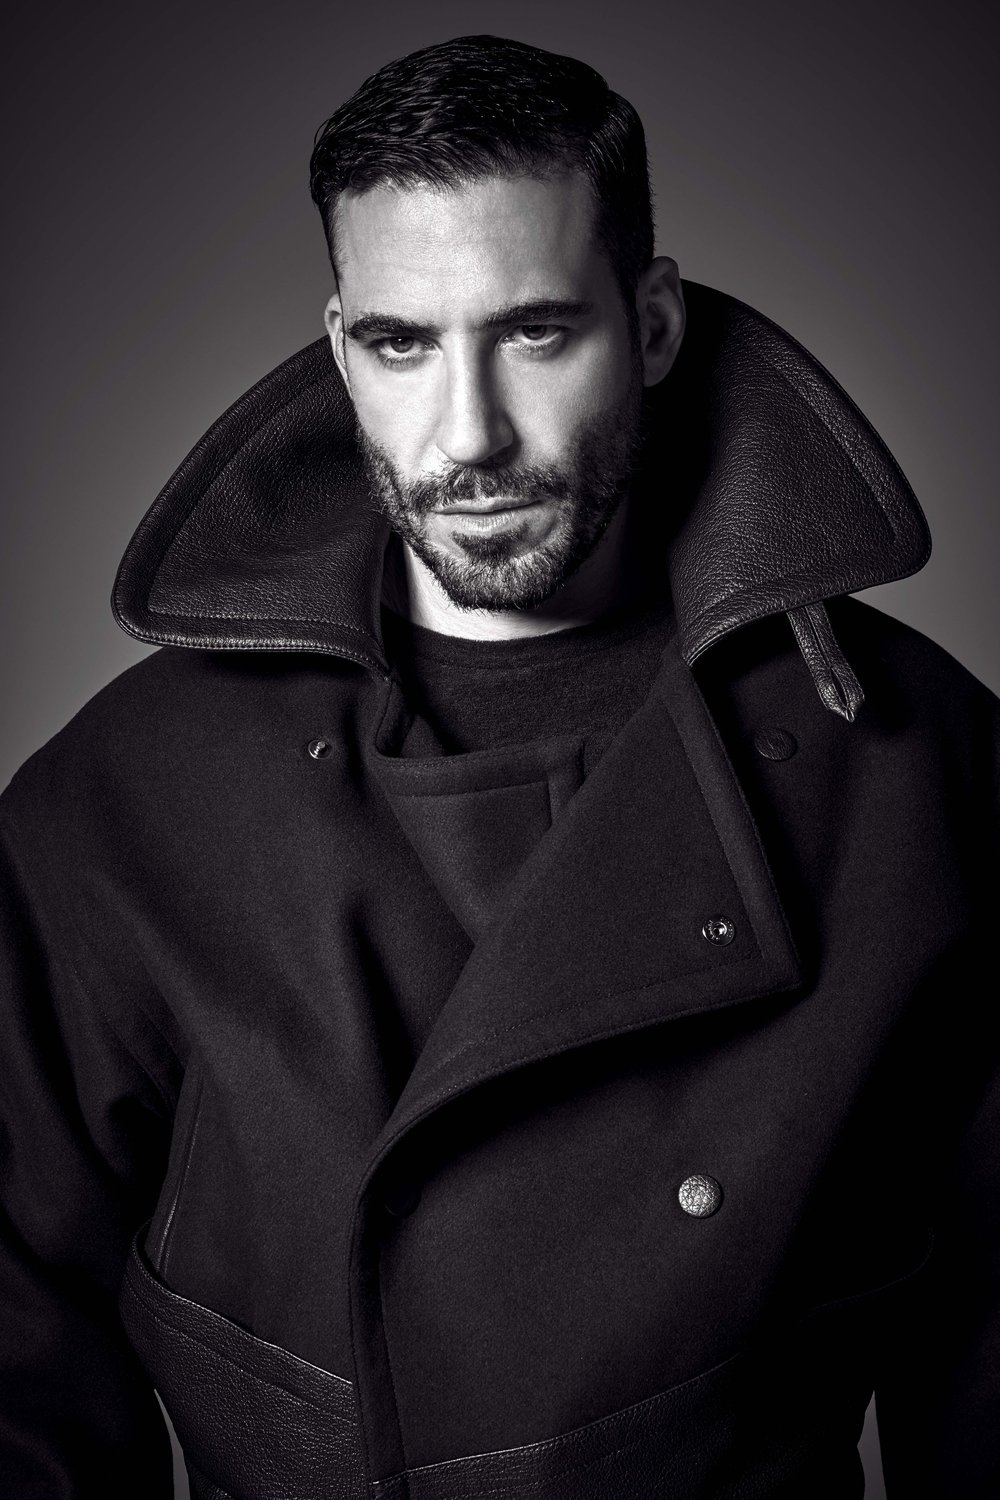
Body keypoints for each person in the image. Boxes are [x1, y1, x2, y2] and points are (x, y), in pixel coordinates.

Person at [0, 31, 996, 1500]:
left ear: (653, 325)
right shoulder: (122, 803)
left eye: (535, 332)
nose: (467, 437)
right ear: (341, 347)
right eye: (401, 344)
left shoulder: (916, 776)